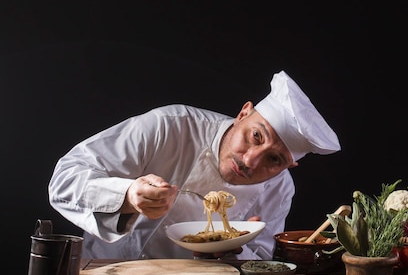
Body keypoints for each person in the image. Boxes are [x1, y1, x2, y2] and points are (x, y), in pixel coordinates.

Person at [48, 70, 340, 260]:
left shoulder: (279, 189)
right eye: (255, 136)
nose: (251, 160)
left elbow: (260, 261)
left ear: (288, 167)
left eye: (275, 159)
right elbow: (64, 181)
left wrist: (232, 251)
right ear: (243, 113)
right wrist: (127, 196)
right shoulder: (169, 126)